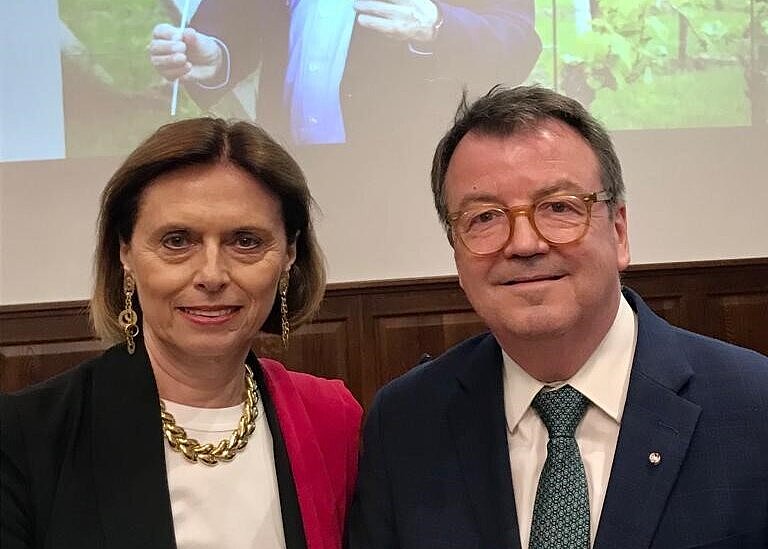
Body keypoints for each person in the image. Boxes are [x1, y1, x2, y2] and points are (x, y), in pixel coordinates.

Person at [348, 85, 768, 548]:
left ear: (619, 231)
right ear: (456, 252)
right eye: (484, 217)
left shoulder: (754, 404)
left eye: (559, 207)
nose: (524, 243)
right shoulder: (406, 423)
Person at [0, 118, 362, 549]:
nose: (212, 275)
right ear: (125, 252)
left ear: (289, 254)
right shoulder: (26, 437)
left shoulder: (331, 420)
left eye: (246, 241)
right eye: (177, 241)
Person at [148, 0, 541, 145]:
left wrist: (437, 25)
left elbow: (517, 42)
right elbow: (234, 24)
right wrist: (216, 56)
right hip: (287, 172)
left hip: (409, 185)